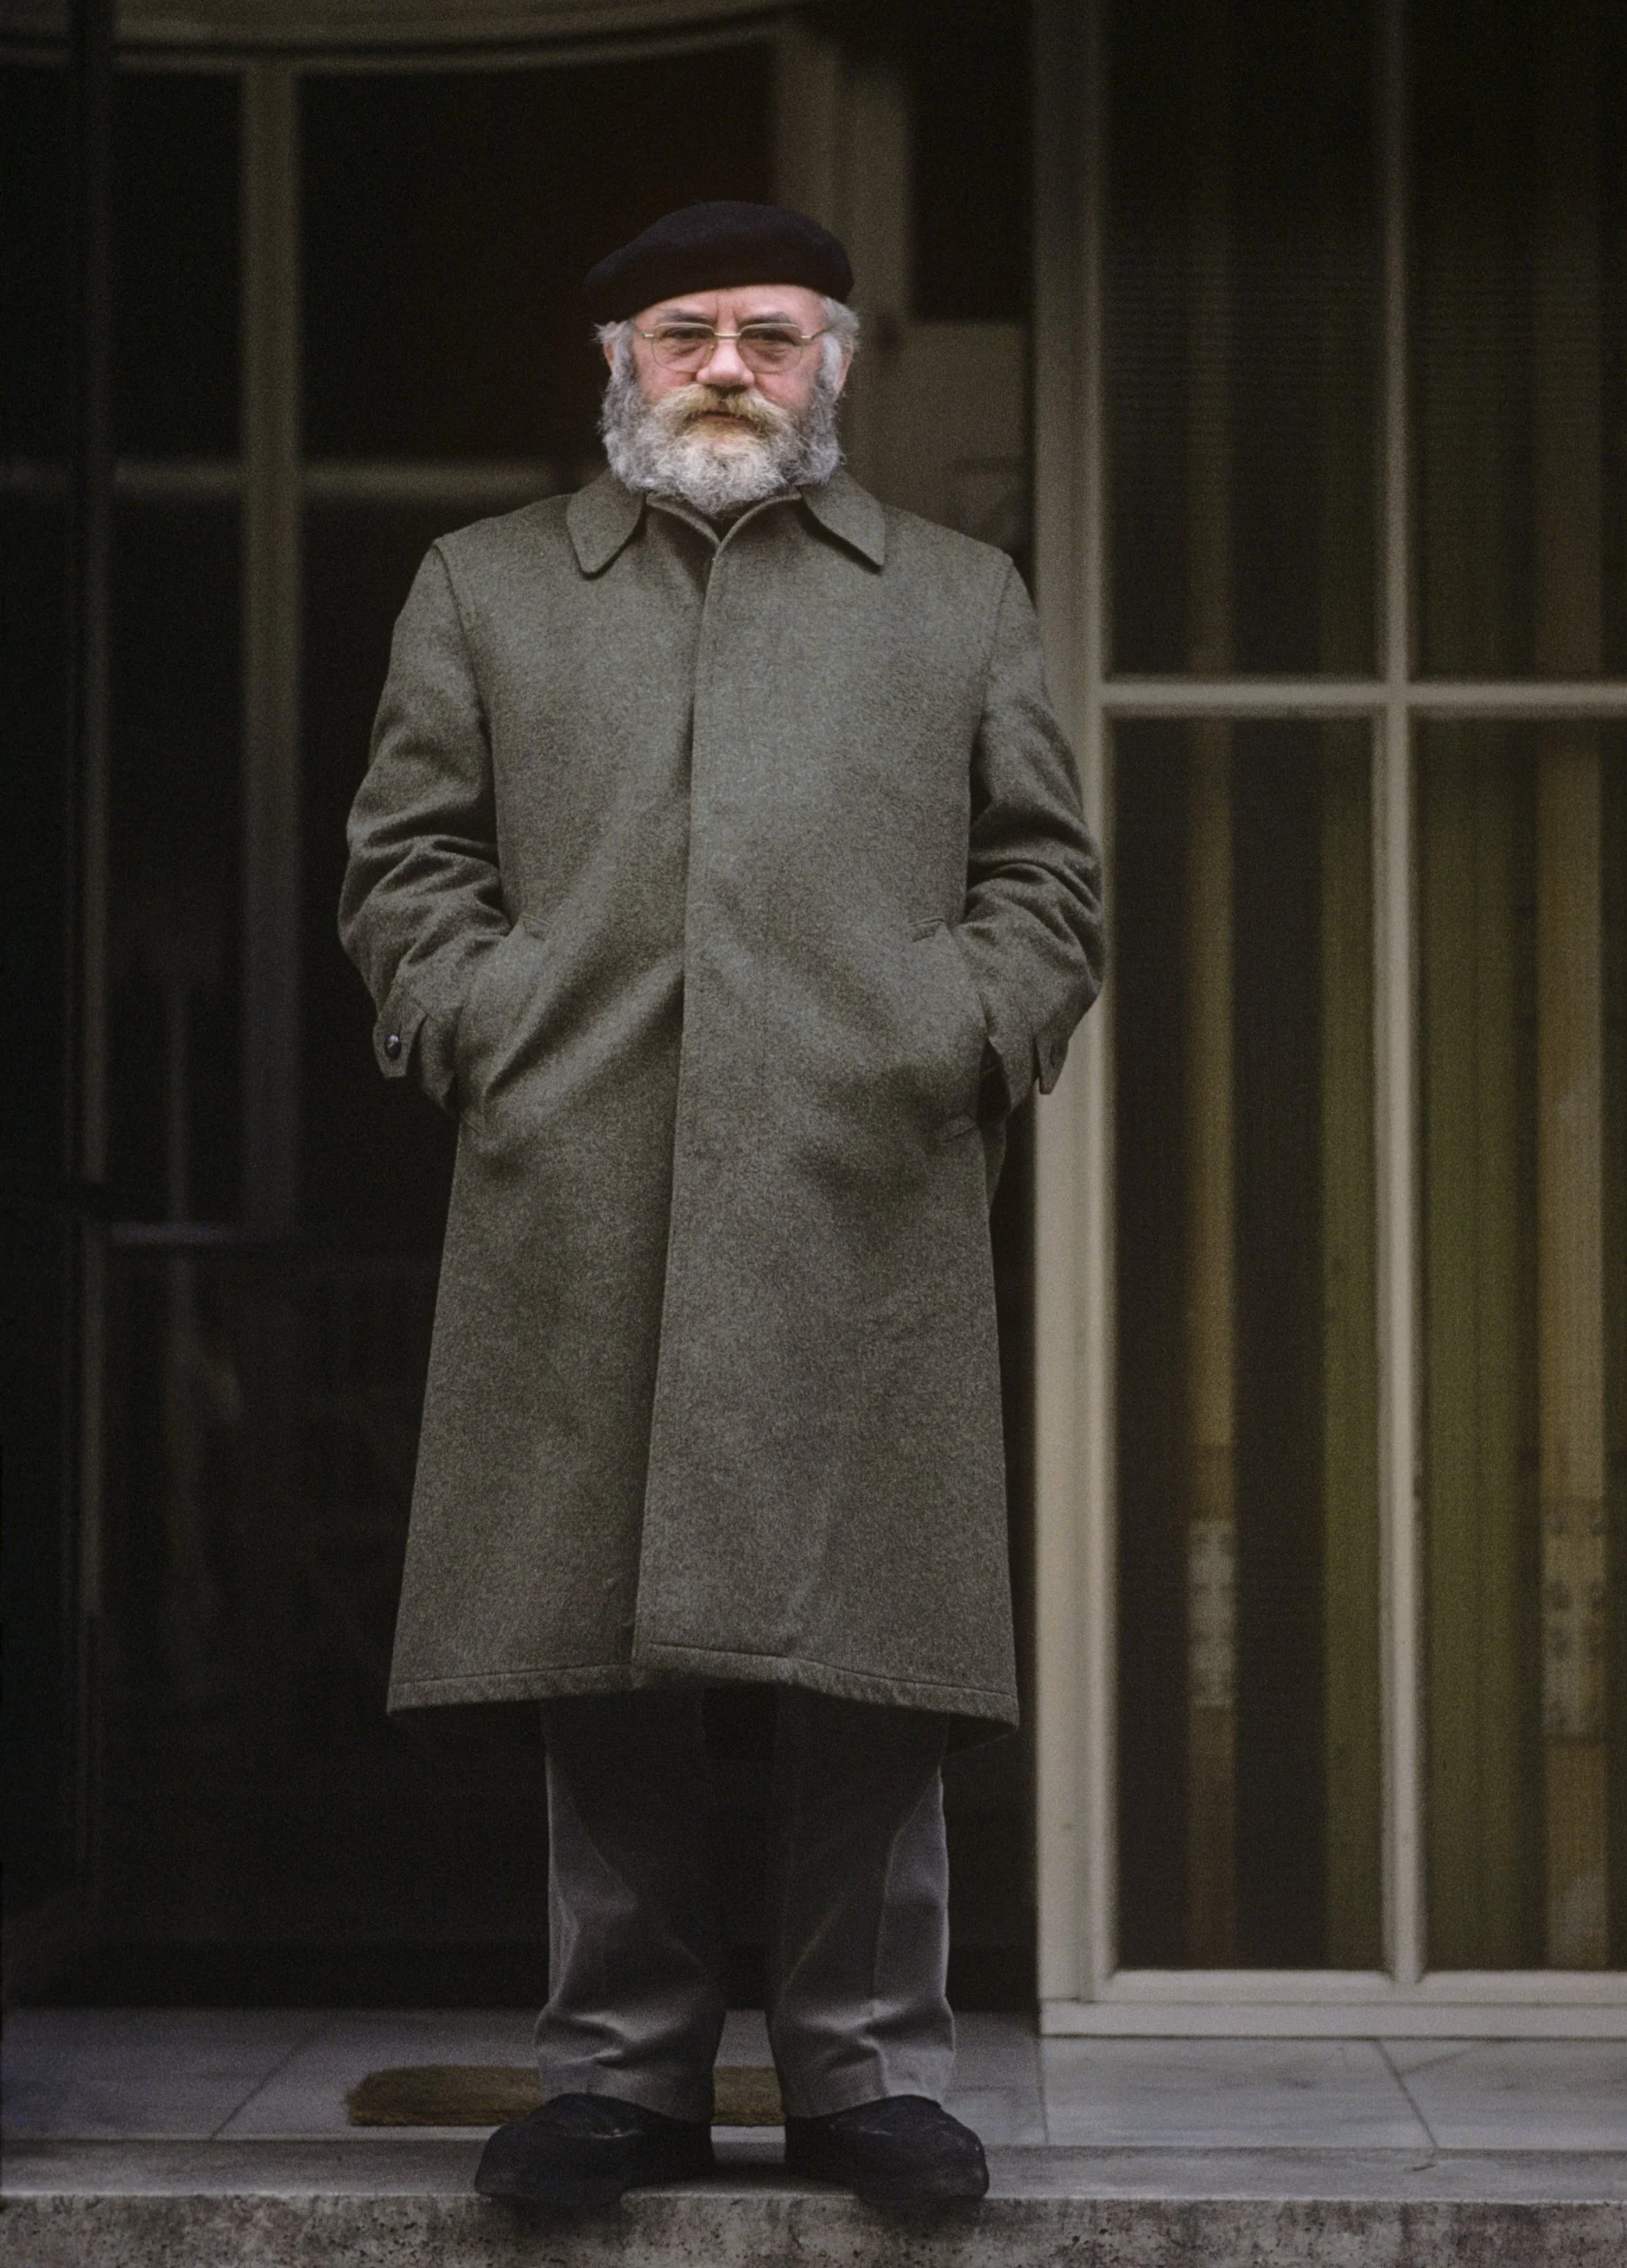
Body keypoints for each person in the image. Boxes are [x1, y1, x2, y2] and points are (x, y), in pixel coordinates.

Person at [340, 200, 1103, 2215]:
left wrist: (949, 1034)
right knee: (600, 1660)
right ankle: (618, 2080)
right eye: (684, 333)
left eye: (771, 333)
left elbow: (1047, 880)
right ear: (617, 362)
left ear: (835, 361)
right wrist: (492, 1026)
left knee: (874, 1659)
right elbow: (405, 866)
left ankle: (864, 2079)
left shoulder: (954, 597)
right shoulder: (487, 586)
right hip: (577, 1190)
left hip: (867, 1194)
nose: (728, 369)